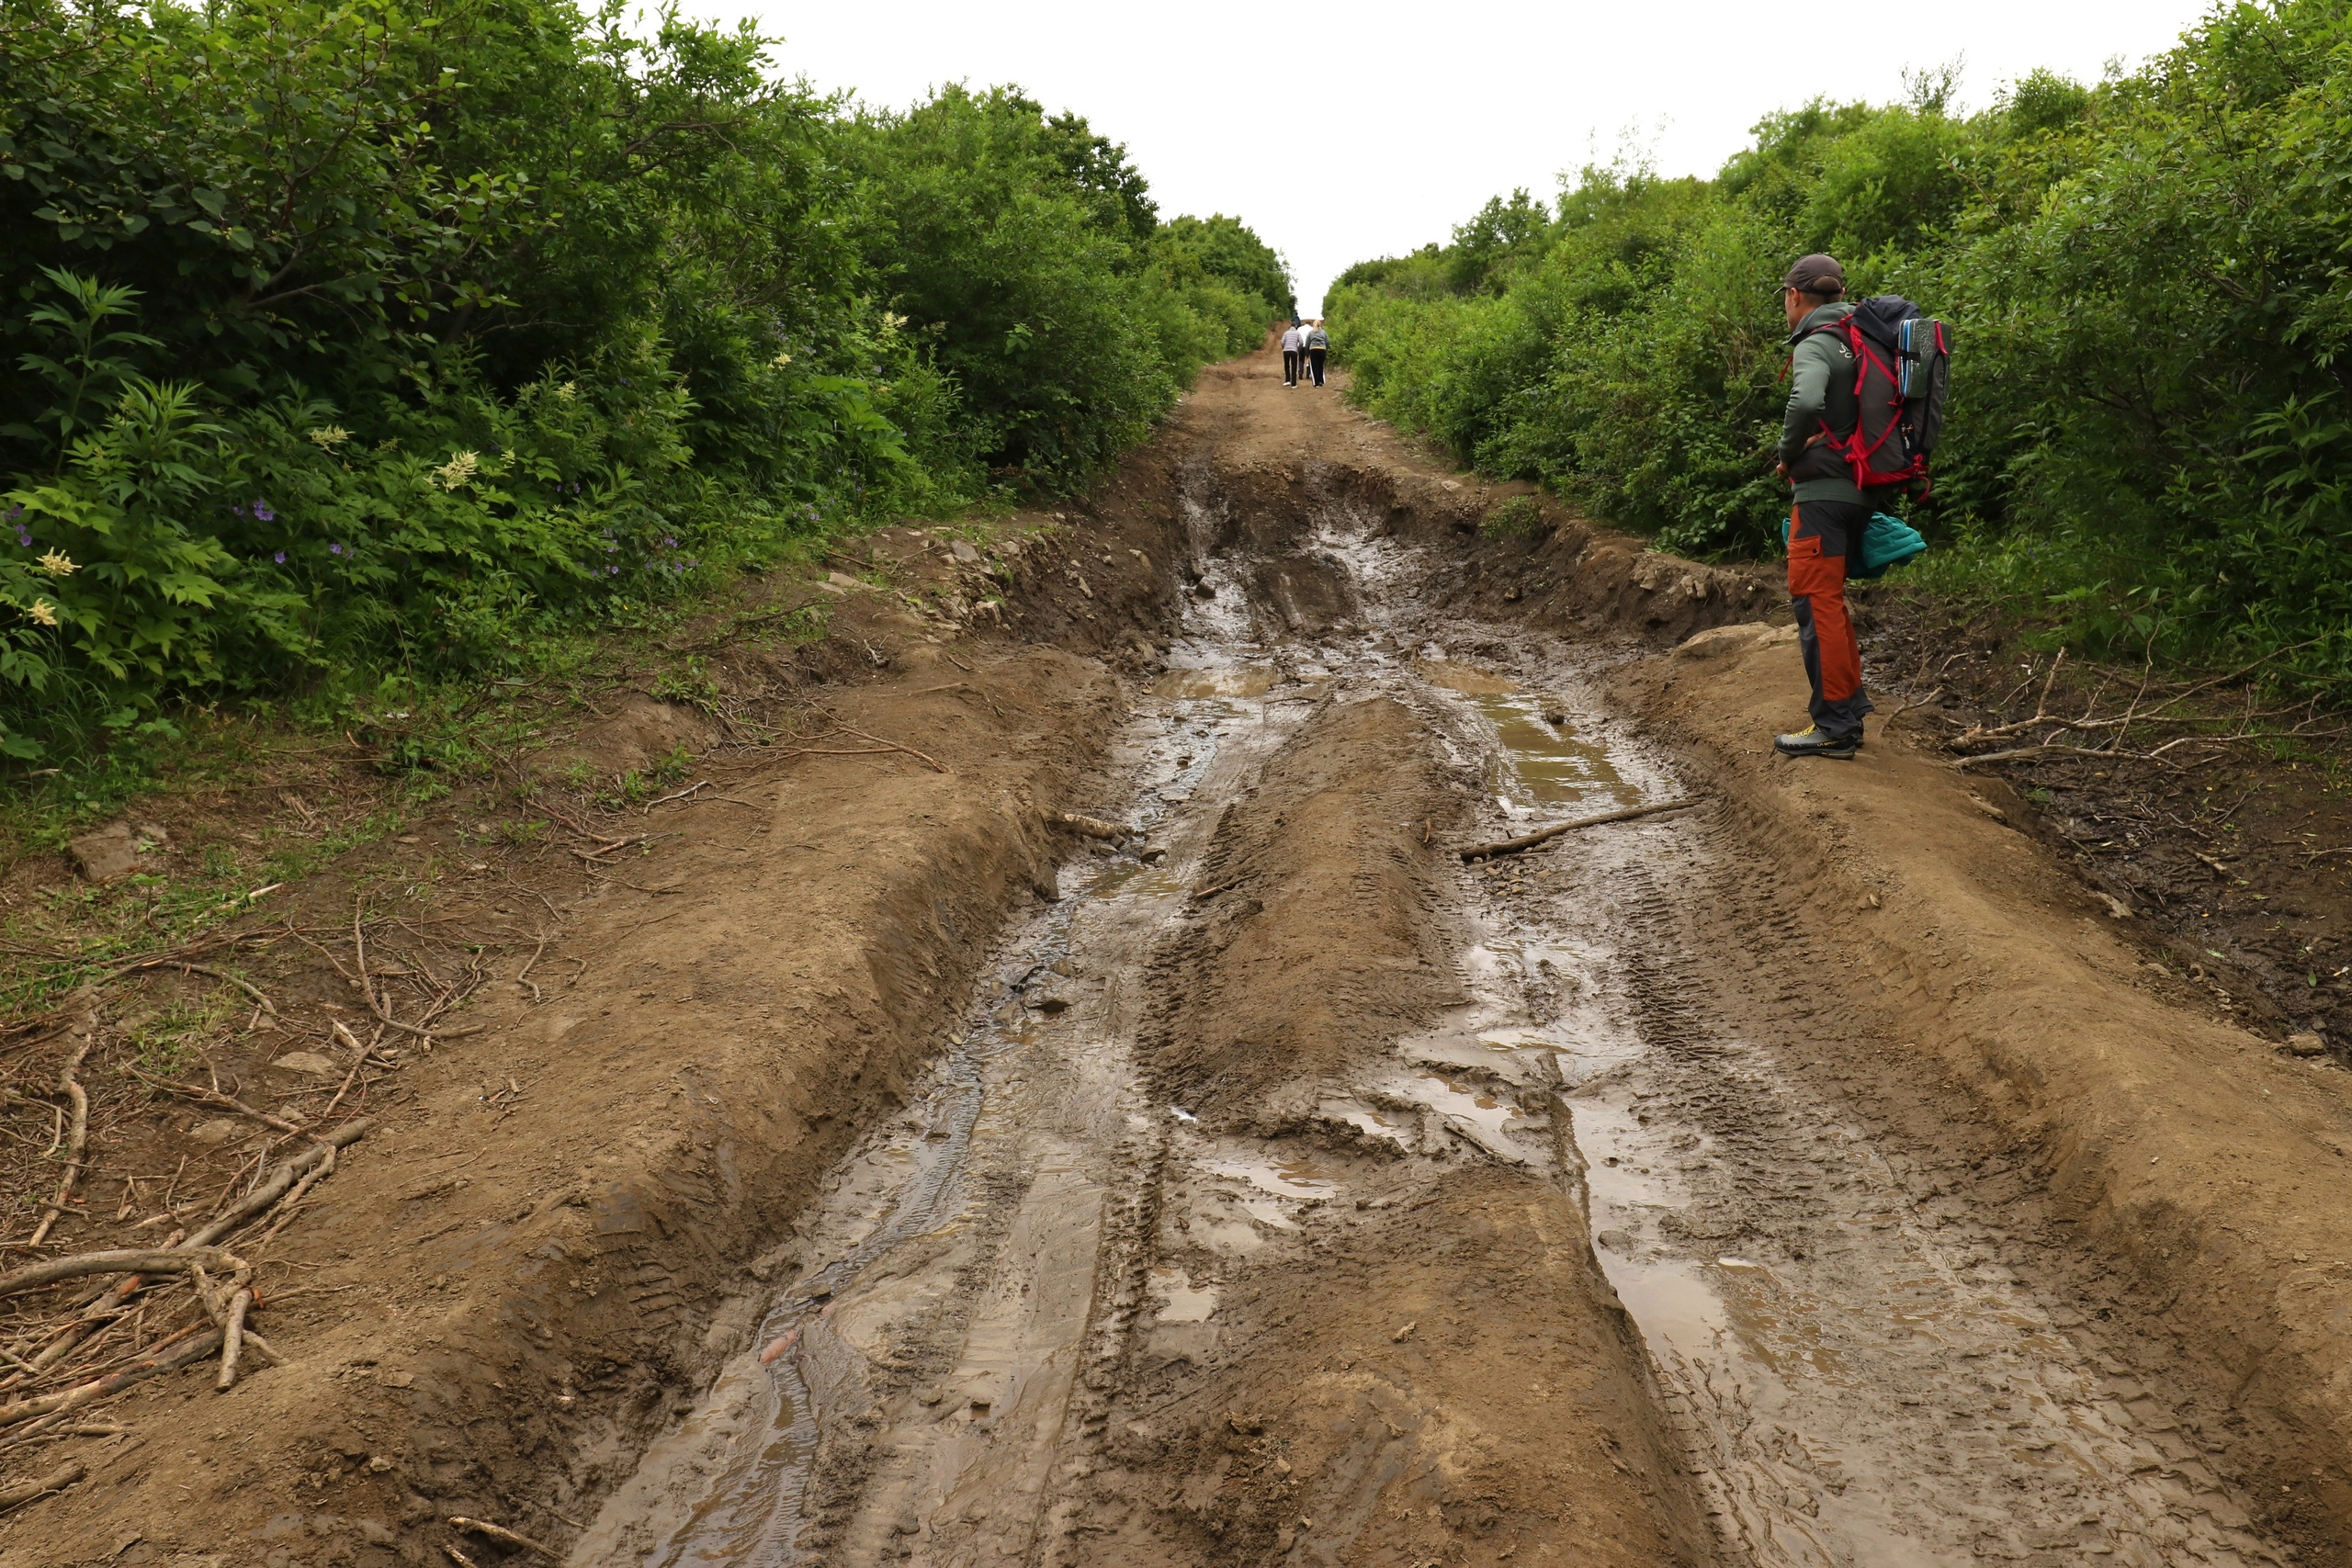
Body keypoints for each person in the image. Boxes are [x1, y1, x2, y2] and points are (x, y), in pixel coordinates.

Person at [1770, 253, 1874, 761]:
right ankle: (1849, 708)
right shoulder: (1864, 339)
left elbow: (1807, 402)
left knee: (1816, 603)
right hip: (1862, 488)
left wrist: (1788, 454)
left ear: (1795, 296)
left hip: (1822, 497)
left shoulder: (1817, 343)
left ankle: (1833, 725)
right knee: (1830, 600)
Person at [1304, 320, 1329, 387]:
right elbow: (1327, 342)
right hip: (1322, 350)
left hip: (1313, 350)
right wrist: (1326, 349)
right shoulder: (1324, 332)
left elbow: (1307, 344)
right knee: (1321, 366)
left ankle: (1316, 383)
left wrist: (1307, 353)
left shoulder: (1310, 333)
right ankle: (1321, 381)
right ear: (1320, 325)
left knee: (1314, 367)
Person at [1280, 321, 1304, 388]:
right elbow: (1301, 342)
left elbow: (1282, 342)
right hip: (1294, 351)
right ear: (1295, 326)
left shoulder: (1286, 333)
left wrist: (1284, 347)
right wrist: (1298, 349)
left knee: (1287, 365)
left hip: (1286, 351)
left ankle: (1287, 380)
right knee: (1294, 366)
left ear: (1290, 326)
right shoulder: (1297, 333)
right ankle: (1293, 384)